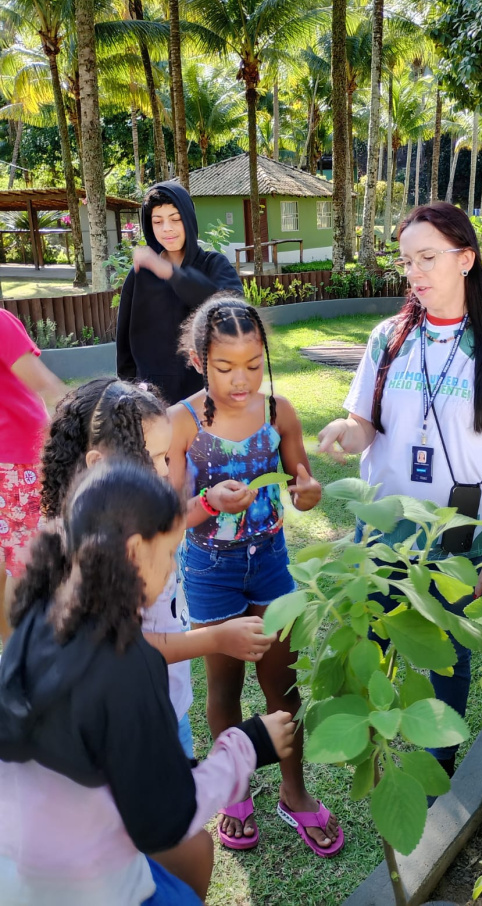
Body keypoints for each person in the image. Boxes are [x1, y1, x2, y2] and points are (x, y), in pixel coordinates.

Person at [318, 202, 482, 777]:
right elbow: (366, 424)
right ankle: (370, 753)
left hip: (459, 538)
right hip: (383, 532)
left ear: (465, 259)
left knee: (446, 653)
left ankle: (436, 766)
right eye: (406, 262)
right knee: (373, 636)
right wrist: (346, 432)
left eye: (427, 258)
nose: (414, 273)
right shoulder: (389, 338)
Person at [0, 460, 295, 905]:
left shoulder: (39, 618)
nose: (173, 565)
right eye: (171, 552)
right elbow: (164, 818)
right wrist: (250, 745)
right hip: (92, 888)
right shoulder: (125, 663)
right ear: (136, 552)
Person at [169, 294, 343, 856]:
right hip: (208, 569)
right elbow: (169, 517)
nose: (241, 381)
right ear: (199, 361)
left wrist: (308, 490)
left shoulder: (279, 413)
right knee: (224, 687)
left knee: (281, 683)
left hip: (269, 563)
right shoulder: (182, 422)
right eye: (224, 368)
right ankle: (235, 793)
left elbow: (304, 489)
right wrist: (210, 502)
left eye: (252, 365)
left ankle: (294, 793)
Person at [38, 377, 276, 759]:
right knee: (169, 811)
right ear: (99, 462)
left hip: (162, 700)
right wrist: (216, 639)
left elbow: (169, 524)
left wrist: (210, 502)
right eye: (152, 459)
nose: (165, 472)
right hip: (130, 715)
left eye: (167, 458)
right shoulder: (99, 548)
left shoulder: (121, 510)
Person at [116, 182, 243, 405]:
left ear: (189, 219)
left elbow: (231, 310)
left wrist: (169, 272)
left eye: (175, 219)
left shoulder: (213, 264)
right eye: (158, 221)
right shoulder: (140, 274)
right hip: (152, 400)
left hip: (206, 394)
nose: (167, 228)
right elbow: (125, 341)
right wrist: (129, 392)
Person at [0, 308, 65, 644]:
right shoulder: (0, 321)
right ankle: (19, 655)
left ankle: (10, 651)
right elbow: (44, 383)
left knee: (6, 557)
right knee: (23, 561)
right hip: (19, 459)